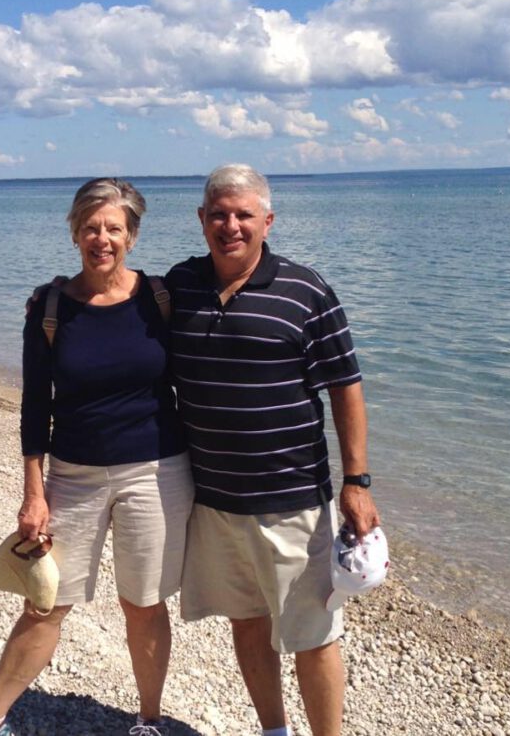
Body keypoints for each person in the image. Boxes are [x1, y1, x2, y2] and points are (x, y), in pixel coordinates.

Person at [0, 178, 193, 736]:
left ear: (132, 235)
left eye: (114, 227)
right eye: (90, 227)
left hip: (157, 472)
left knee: (144, 604)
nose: (101, 238)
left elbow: (212, 356)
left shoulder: (161, 299)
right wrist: (32, 493)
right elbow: (36, 405)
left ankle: (149, 721)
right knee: (46, 603)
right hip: (73, 475)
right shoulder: (50, 306)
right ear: (74, 233)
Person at [165, 164, 380, 736]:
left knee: (313, 635)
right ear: (201, 220)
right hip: (211, 500)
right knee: (246, 622)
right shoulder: (180, 286)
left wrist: (357, 483)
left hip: (292, 501)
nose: (230, 225)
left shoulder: (305, 289)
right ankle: (273, 730)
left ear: (267, 221)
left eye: (242, 214)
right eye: (218, 213)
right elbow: (118, 319)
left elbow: (346, 385)